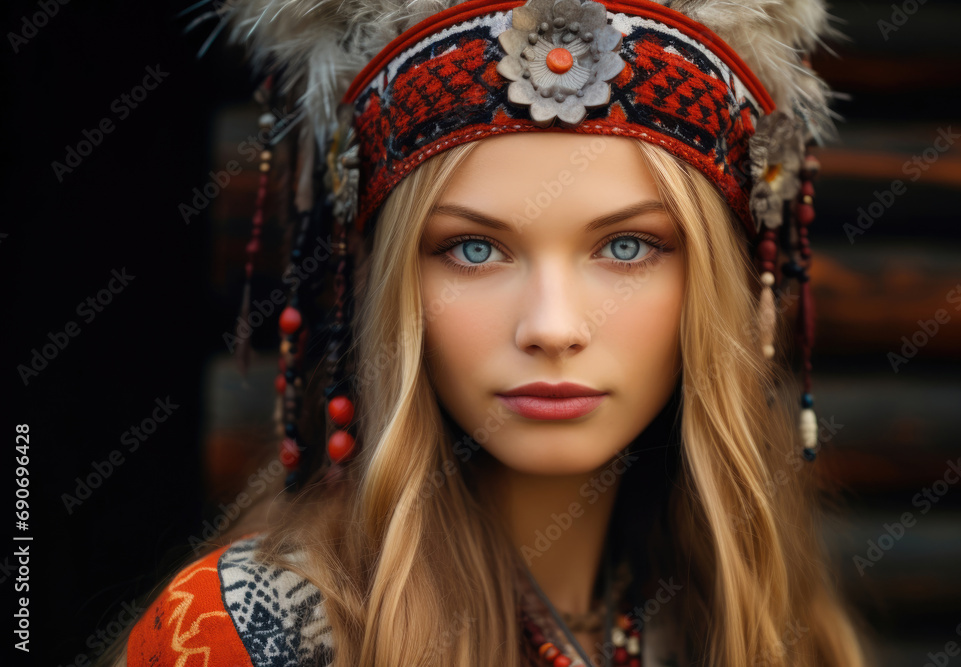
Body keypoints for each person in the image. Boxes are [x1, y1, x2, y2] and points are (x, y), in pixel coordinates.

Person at [103, 0, 872, 665]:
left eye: (627, 246)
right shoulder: (251, 635)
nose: (552, 326)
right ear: (388, 288)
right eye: (474, 249)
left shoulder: (752, 621)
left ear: (728, 289)